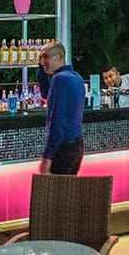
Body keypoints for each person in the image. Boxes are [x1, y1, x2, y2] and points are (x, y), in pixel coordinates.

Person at [39, 41, 85, 175]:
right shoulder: (77, 77)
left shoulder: (60, 79)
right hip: (76, 145)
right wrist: (41, 68)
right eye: (41, 57)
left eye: (46, 56)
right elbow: (45, 93)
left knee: (54, 188)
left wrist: (48, 156)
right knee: (68, 187)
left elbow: (57, 120)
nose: (42, 61)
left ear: (59, 57)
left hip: (63, 148)